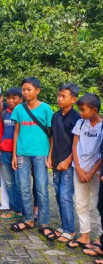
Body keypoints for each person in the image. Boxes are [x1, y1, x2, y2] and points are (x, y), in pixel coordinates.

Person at [10, 77, 53, 235]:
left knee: (42, 188)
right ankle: (28, 219)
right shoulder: (19, 109)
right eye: (24, 89)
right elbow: (16, 132)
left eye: (29, 89)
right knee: (23, 188)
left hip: (40, 154)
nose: (26, 92)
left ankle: (44, 222)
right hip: (22, 153)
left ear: (37, 91)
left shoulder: (46, 109)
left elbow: (51, 134)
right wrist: (14, 154)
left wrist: (50, 155)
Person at [66, 93, 103, 250]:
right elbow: (75, 146)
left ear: (94, 110)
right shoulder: (81, 124)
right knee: (80, 203)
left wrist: (91, 171)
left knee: (99, 204)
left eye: (83, 110)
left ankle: (101, 238)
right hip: (79, 169)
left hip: (95, 172)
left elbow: (102, 153)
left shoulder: (102, 126)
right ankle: (85, 234)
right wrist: (79, 168)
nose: (80, 113)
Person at [46, 84, 80, 242]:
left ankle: (70, 230)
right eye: (59, 95)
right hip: (56, 161)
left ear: (73, 99)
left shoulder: (77, 118)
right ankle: (63, 225)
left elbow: (77, 143)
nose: (59, 99)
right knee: (58, 194)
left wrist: (68, 161)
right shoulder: (55, 116)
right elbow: (52, 137)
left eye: (63, 96)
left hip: (69, 163)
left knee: (66, 195)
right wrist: (50, 156)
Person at [0, 87, 23, 220]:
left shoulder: (24, 113)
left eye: (14, 98)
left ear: (21, 99)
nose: (10, 101)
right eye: (9, 98)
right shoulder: (4, 114)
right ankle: (15, 209)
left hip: (20, 153)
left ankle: (25, 209)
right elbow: (0, 133)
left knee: (21, 183)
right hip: (5, 152)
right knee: (10, 182)